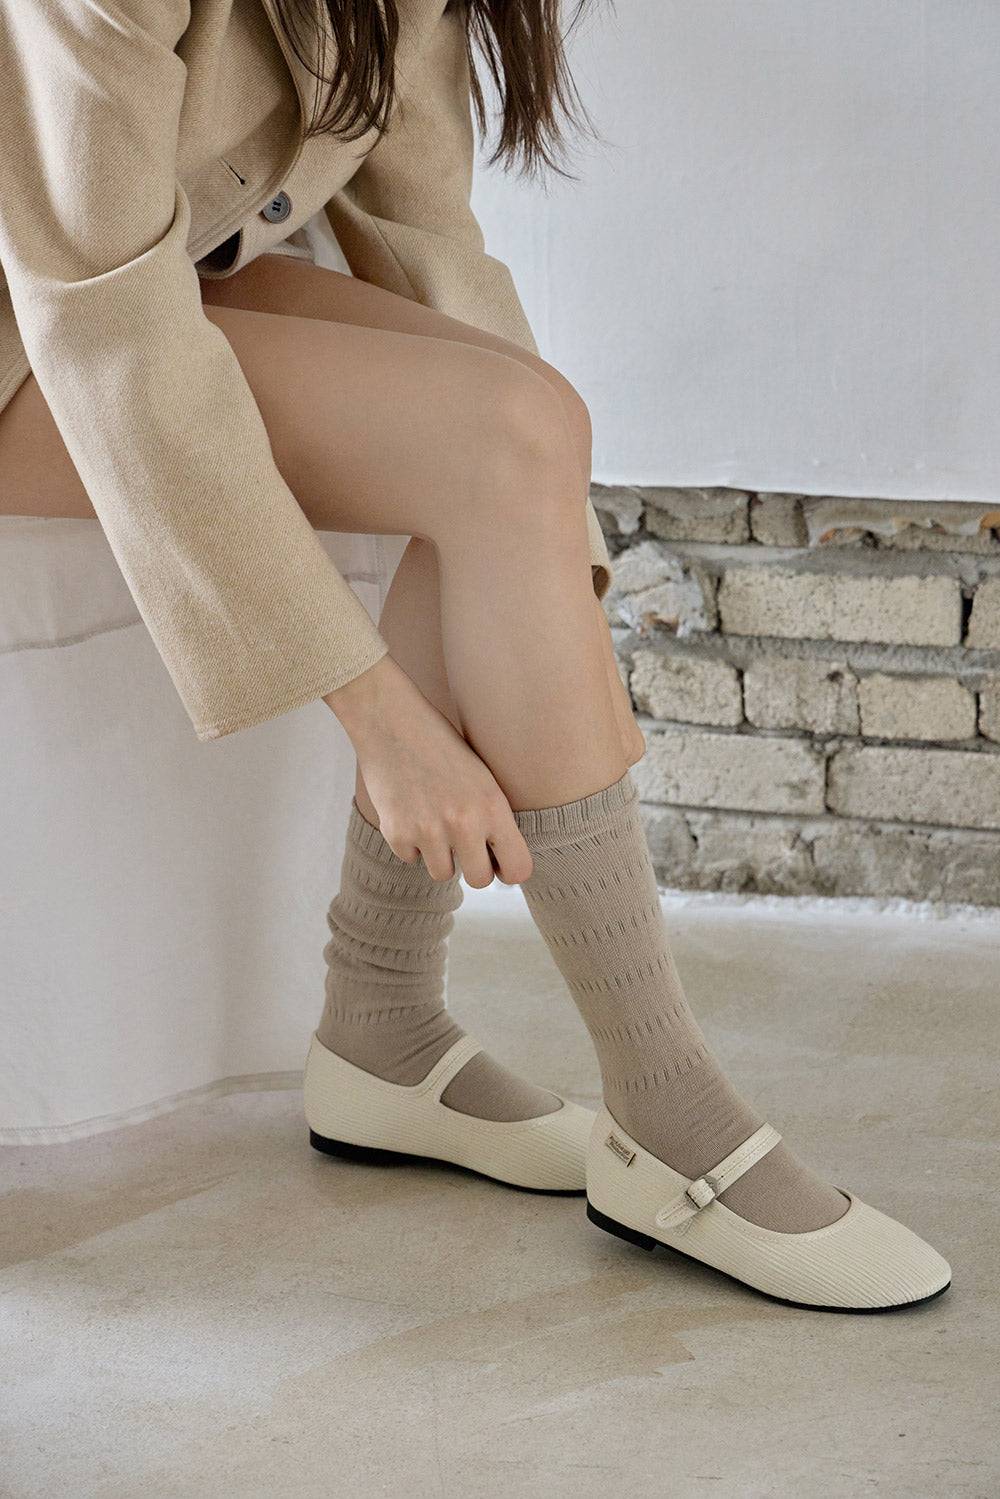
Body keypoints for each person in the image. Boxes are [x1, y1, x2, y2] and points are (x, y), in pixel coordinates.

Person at [0, 0, 949, 1311]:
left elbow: (425, 234)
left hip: (155, 280)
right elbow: (103, 320)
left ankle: (383, 1024)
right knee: (491, 442)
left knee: (520, 429)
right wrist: (381, 719)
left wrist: (551, 555)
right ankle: (669, 1112)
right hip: (50, 312)